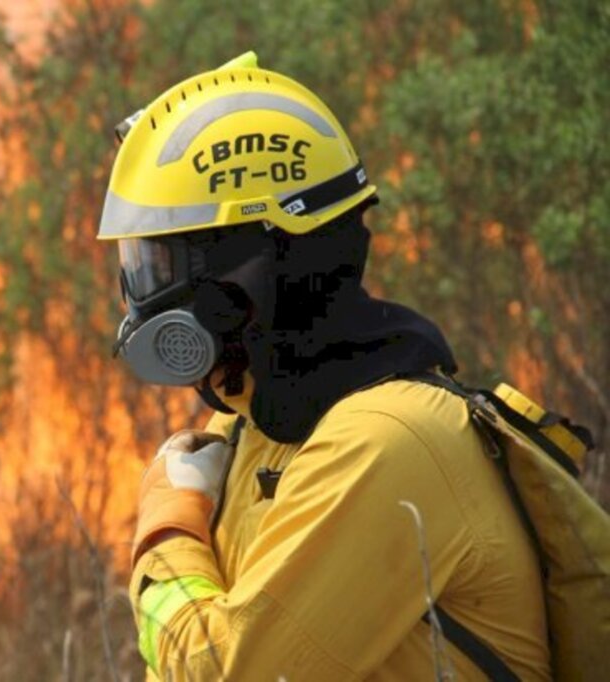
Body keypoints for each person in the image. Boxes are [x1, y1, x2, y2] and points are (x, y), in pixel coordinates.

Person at [97, 52, 550, 680]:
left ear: (250, 270)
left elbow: (224, 671)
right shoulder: (256, 427)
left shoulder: (386, 444)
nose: (142, 300)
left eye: (160, 267)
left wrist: (167, 531)